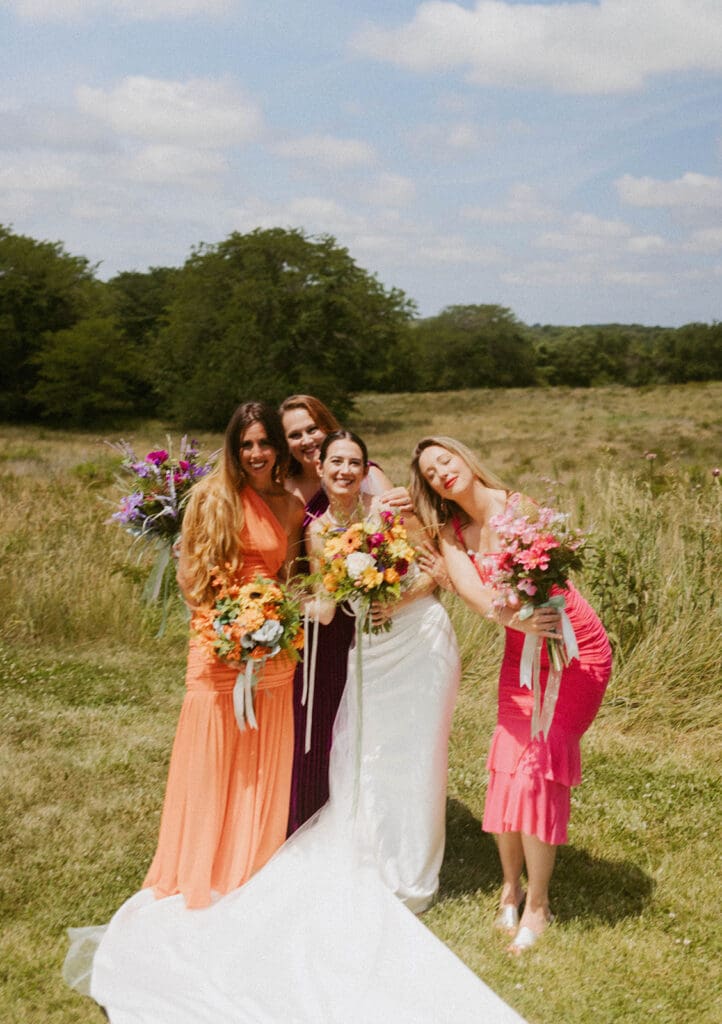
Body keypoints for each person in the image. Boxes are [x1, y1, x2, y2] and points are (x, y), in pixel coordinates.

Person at [64, 429, 529, 1024]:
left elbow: (433, 572)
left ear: (365, 469)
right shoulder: (317, 528)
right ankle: (370, 855)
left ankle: (412, 869)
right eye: (333, 461)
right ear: (322, 466)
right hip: (368, 651)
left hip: (419, 643)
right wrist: (270, 611)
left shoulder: (390, 509)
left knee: (416, 756)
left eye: (353, 462)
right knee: (358, 756)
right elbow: (327, 604)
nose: (342, 470)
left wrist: (396, 595)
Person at [410, 436, 612, 954]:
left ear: (465, 458)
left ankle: (540, 904)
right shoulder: (452, 535)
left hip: (573, 649)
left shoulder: (519, 508)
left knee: (539, 768)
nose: (441, 474)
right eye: (431, 473)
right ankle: (509, 885)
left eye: (445, 461)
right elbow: (479, 599)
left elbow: (555, 571)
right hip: (522, 655)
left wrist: (530, 611)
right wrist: (518, 615)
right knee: (507, 765)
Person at [141, 401, 305, 909]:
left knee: (260, 759)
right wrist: (232, 633)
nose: (256, 453)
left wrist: (275, 625)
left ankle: (250, 862)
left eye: (264, 442)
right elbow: (193, 579)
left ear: (278, 446)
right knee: (213, 754)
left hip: (276, 644)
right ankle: (199, 867)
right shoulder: (211, 498)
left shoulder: (290, 504)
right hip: (217, 644)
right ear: (233, 449)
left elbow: (292, 577)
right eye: (245, 444)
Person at [279, 394, 395, 833]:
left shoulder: (370, 478)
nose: (306, 439)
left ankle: (374, 817)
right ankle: (312, 815)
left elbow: (402, 545)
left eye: (312, 428)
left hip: (377, 619)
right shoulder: (292, 492)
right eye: (295, 434)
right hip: (326, 621)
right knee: (322, 723)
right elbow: (299, 573)